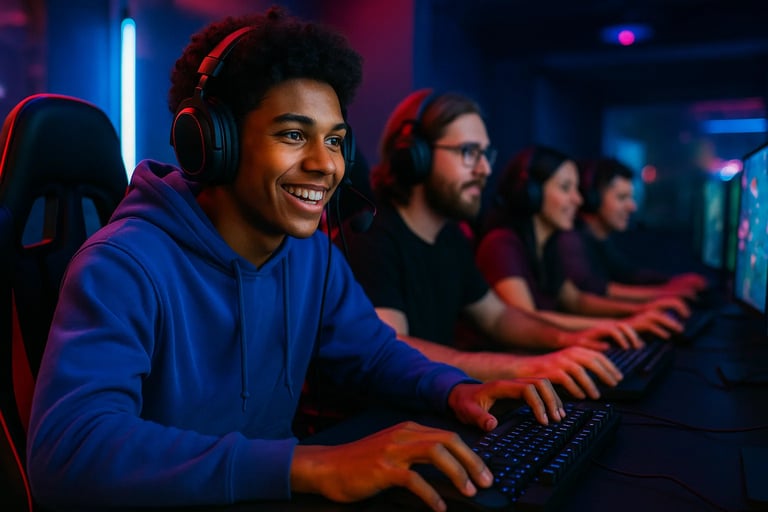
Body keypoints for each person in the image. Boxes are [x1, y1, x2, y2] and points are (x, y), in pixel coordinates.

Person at [25, 10, 565, 512]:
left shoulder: (311, 255)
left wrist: (454, 388)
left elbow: (373, 355)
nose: (324, 165)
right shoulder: (122, 265)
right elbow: (69, 451)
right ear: (214, 142)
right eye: (292, 135)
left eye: (334, 141)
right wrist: (307, 464)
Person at [337, 88, 630, 404]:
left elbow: (497, 317)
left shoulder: (451, 237)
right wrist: (524, 367)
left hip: (429, 406)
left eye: (485, 154)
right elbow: (393, 346)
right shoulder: (370, 235)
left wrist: (570, 340)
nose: (485, 170)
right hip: (378, 421)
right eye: (468, 152)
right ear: (414, 156)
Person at [475, 145, 690, 339]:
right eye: (566, 188)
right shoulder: (501, 245)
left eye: (577, 189)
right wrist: (621, 324)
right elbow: (528, 322)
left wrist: (638, 315)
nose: (578, 200)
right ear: (531, 193)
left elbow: (576, 300)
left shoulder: (548, 245)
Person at [558, 156, 708, 302]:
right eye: (622, 198)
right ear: (593, 198)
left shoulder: (600, 238)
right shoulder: (570, 239)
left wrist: (675, 281)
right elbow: (593, 289)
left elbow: (628, 274)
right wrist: (666, 293)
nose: (632, 207)